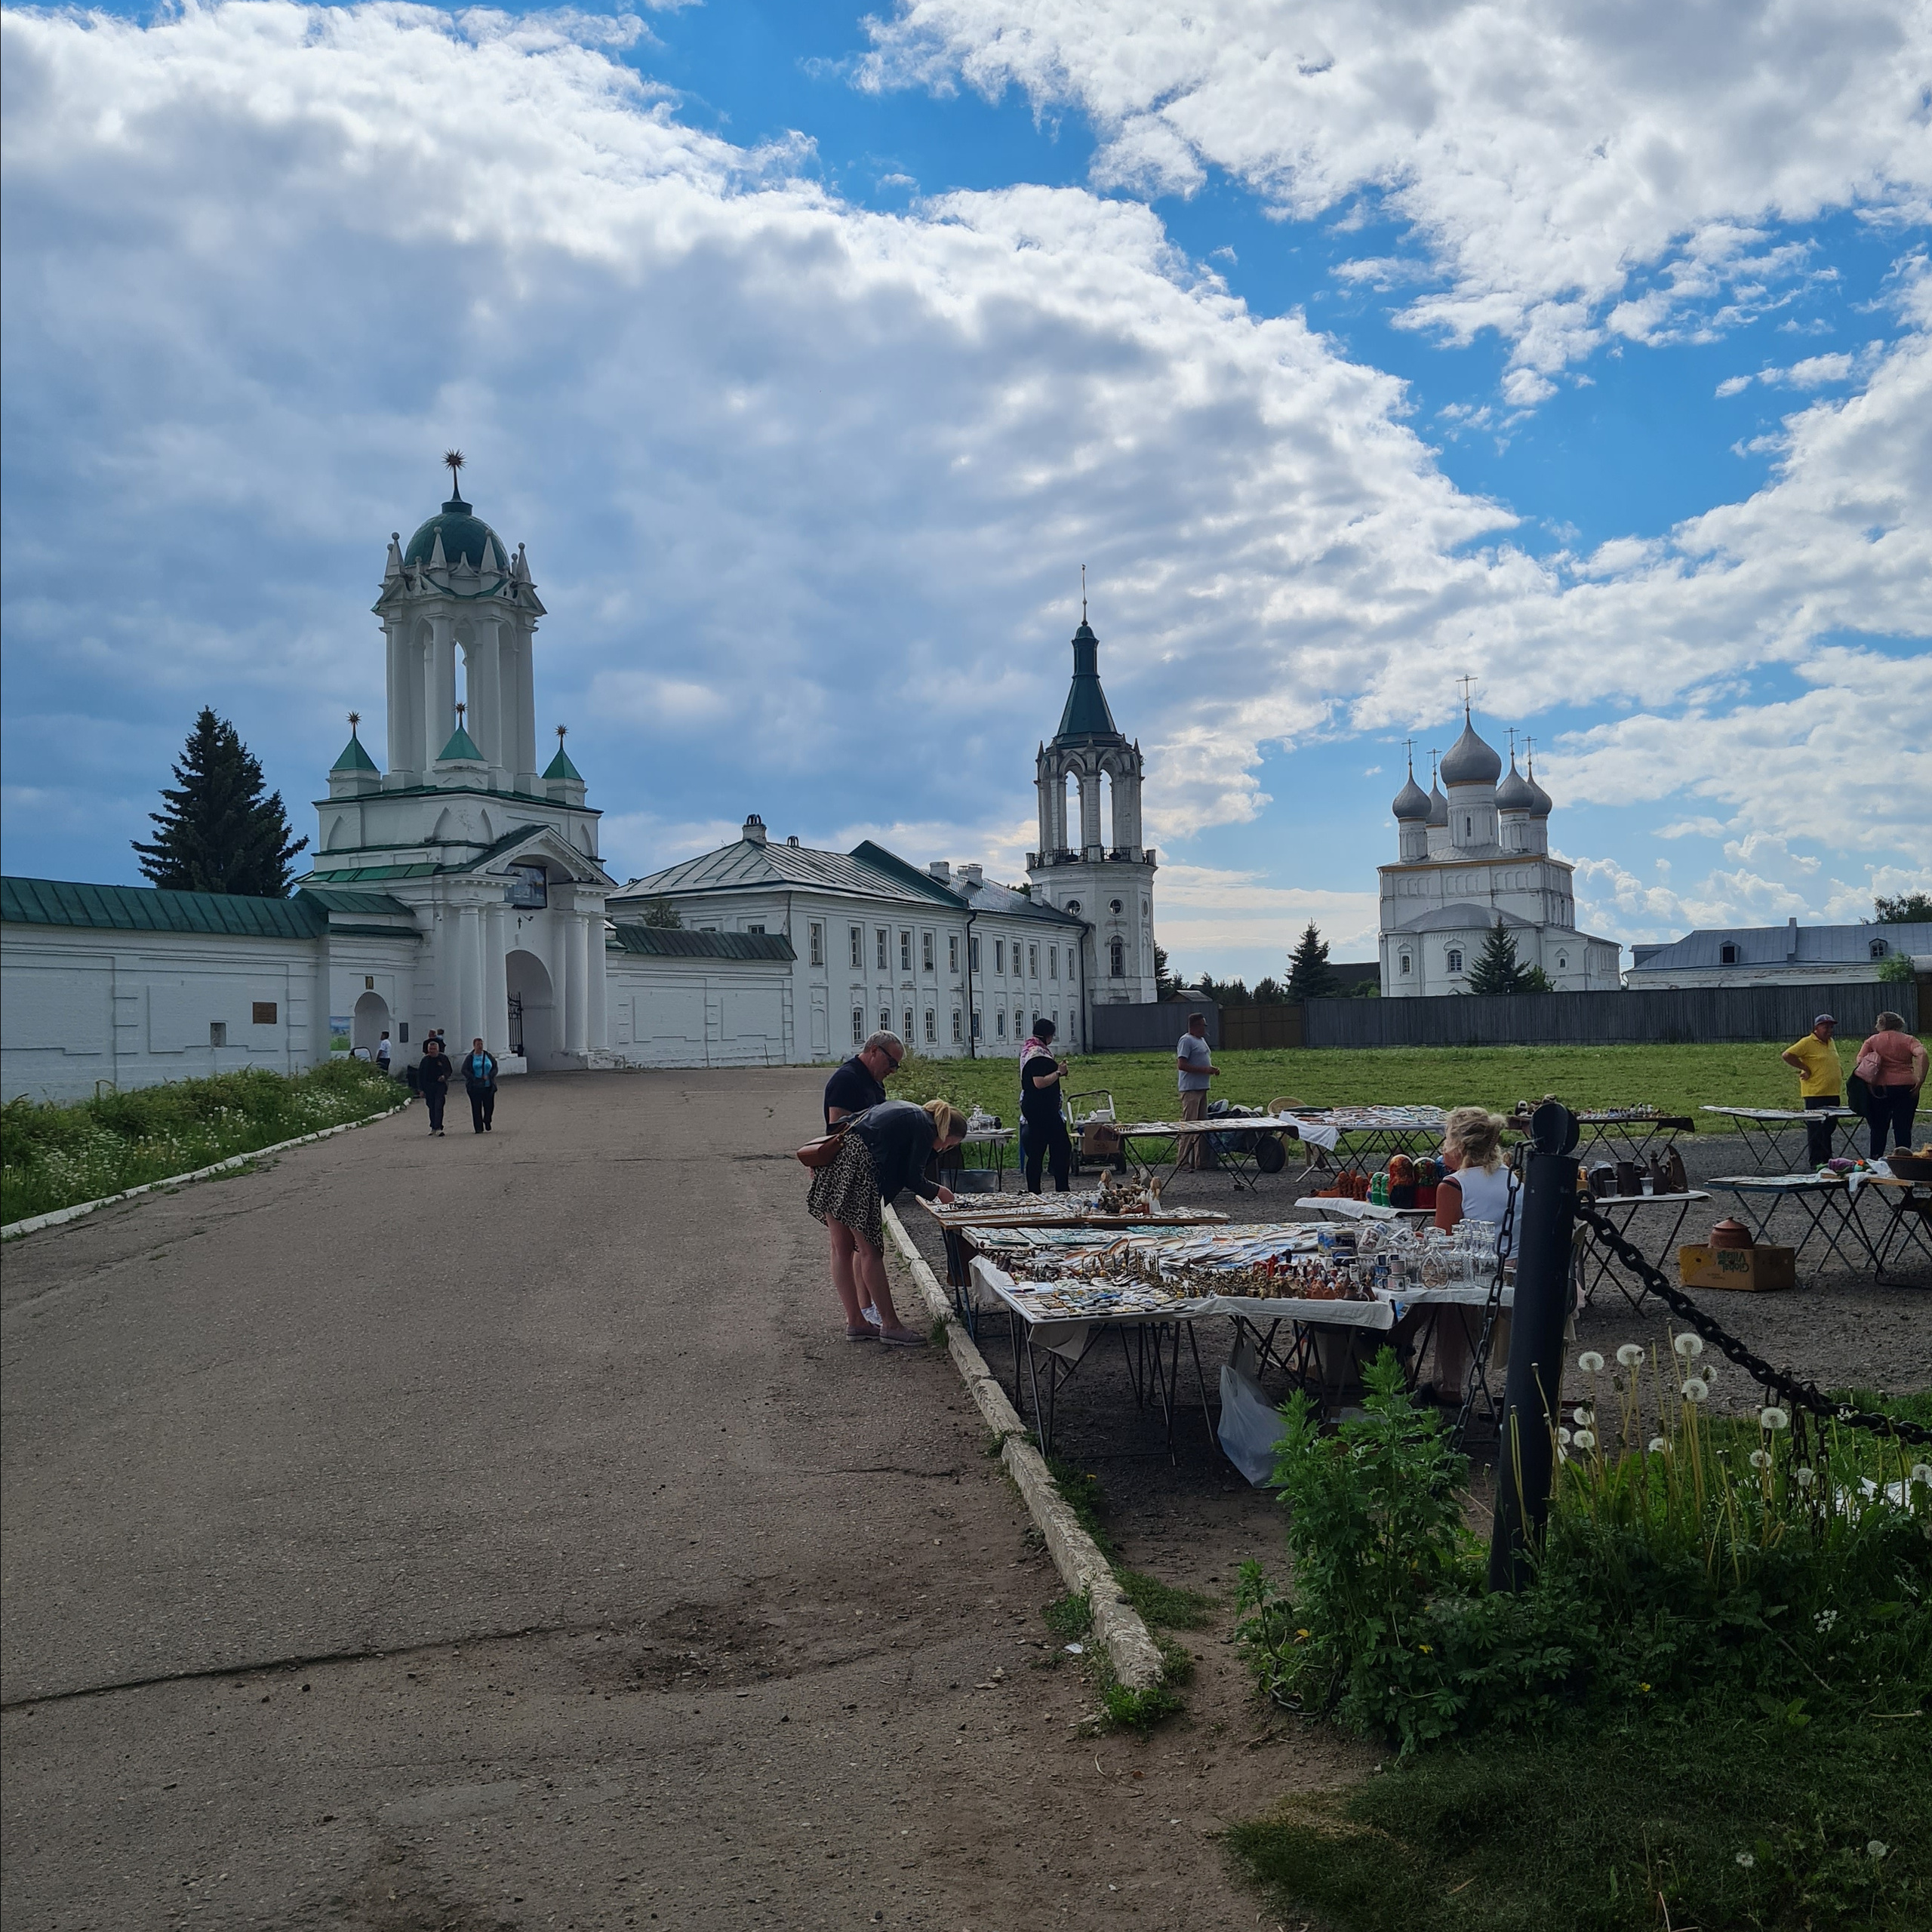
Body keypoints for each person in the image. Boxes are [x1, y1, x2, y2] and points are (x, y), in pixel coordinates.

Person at [808, 1097, 966, 1347]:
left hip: (834, 1164)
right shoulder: (925, 1128)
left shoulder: (907, 1111)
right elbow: (912, 1177)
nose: (944, 1149)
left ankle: (856, 1321)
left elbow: (846, 1122)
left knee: (841, 1248)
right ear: (946, 1133)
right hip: (857, 1170)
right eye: (950, 1145)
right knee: (870, 1252)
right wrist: (941, 1193)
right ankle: (891, 1325)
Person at [822, 1031, 903, 1328]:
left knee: (858, 1247)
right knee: (848, 1247)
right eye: (892, 1063)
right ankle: (858, 1317)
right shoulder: (847, 1079)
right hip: (846, 1172)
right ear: (874, 1051)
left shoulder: (873, 1081)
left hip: (862, 1172)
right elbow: (837, 1131)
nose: (893, 1070)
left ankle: (865, 1311)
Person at [1854, 1012, 1927, 1160]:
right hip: (1907, 1086)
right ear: (1899, 1024)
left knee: (1878, 1127)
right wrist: (1920, 1079)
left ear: (1880, 1024)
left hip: (1880, 1088)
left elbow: (1860, 1060)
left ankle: (1876, 1158)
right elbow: (1922, 1054)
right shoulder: (1908, 1040)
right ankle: (1904, 1160)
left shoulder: (1872, 1040)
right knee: (1903, 1127)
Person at [1780, 1014, 1842, 1165]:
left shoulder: (1831, 1042)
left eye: (1831, 1027)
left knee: (1829, 1128)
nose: (1829, 1030)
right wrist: (1805, 1068)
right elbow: (1787, 1055)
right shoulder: (1807, 1042)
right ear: (1816, 1028)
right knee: (1816, 1128)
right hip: (1815, 1093)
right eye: (1826, 1027)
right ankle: (1816, 1160)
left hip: (1833, 1092)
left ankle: (1827, 1158)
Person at [1020, 1019, 1072, 1193]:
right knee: (1061, 1147)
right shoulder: (1038, 1054)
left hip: (1036, 1108)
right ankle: (1061, 1190)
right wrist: (1058, 1072)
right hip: (1042, 1110)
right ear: (1048, 1035)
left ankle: (1034, 1191)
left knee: (1037, 1150)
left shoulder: (1029, 1048)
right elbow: (1039, 1082)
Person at [1175, 1013, 1218, 1170]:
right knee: (1189, 1125)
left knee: (1202, 1126)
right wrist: (1204, 1070)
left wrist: (1211, 1069)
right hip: (1190, 1089)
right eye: (1202, 1025)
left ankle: (1201, 1161)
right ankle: (1183, 1161)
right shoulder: (1186, 1040)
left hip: (1202, 1088)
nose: (1204, 1028)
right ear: (1194, 1026)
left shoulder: (1201, 1040)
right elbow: (1182, 1064)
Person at [463, 1037, 500, 1134]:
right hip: (474, 1086)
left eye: (481, 1044)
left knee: (489, 1106)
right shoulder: (470, 1057)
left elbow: (495, 1067)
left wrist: (490, 1076)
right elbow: (464, 1070)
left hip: (488, 1085)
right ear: (474, 1046)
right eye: (478, 1044)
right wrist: (473, 1078)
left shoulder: (488, 1055)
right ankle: (478, 1128)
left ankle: (487, 1120)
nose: (480, 1046)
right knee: (476, 1107)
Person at [417, 1036, 450, 1135]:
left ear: (438, 1050)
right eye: (430, 1049)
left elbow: (449, 1070)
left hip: (440, 1086)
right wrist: (421, 1090)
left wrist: (444, 1076)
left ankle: (439, 1127)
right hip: (428, 1086)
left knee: (439, 1106)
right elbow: (420, 1075)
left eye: (434, 1049)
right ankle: (433, 1127)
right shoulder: (425, 1060)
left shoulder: (443, 1058)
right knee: (431, 1106)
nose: (432, 1051)